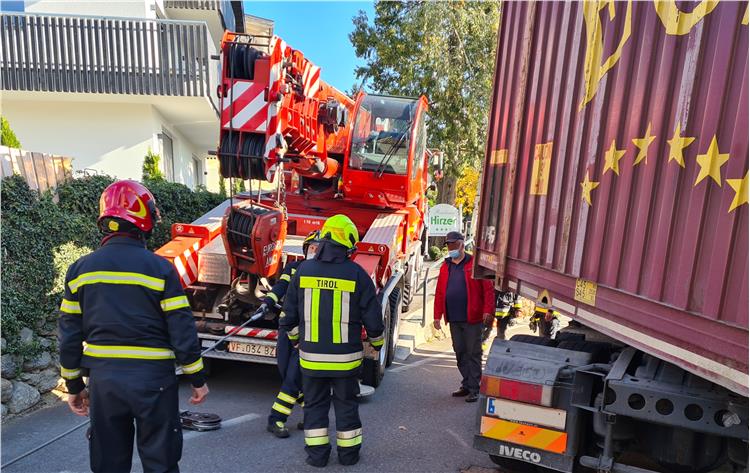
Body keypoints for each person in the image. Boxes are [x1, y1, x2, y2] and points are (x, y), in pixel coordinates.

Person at [58, 180, 208, 473]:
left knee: (108, 463)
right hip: (154, 381)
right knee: (160, 461)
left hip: (105, 382)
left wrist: (74, 386)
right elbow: (182, 329)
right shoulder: (161, 268)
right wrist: (197, 378)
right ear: (145, 218)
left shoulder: (79, 271)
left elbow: (69, 338)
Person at [279, 214, 384, 468]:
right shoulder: (357, 275)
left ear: (324, 237)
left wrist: (296, 342)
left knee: (314, 406)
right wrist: (377, 345)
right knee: (346, 406)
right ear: (347, 241)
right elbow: (373, 319)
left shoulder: (303, 271)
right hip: (346, 362)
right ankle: (348, 456)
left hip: (311, 360)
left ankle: (318, 458)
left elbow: (287, 317)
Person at [266, 230, 320, 438]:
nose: (314, 251)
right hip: (285, 327)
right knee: (284, 369)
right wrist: (269, 301)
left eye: (318, 248)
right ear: (305, 249)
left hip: (306, 330)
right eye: (311, 248)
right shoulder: (293, 268)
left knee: (293, 375)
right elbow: (281, 286)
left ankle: (276, 419)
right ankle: (310, 413)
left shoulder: (322, 273)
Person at [433, 231, 494, 403]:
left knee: (473, 352)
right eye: (448, 245)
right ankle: (467, 384)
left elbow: (488, 289)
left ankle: (474, 388)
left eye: (453, 244)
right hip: (454, 318)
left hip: (472, 318)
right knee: (460, 352)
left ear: (461, 244)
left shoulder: (474, 263)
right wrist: (437, 316)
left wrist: (488, 310)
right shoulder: (446, 266)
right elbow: (439, 292)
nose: (450, 248)